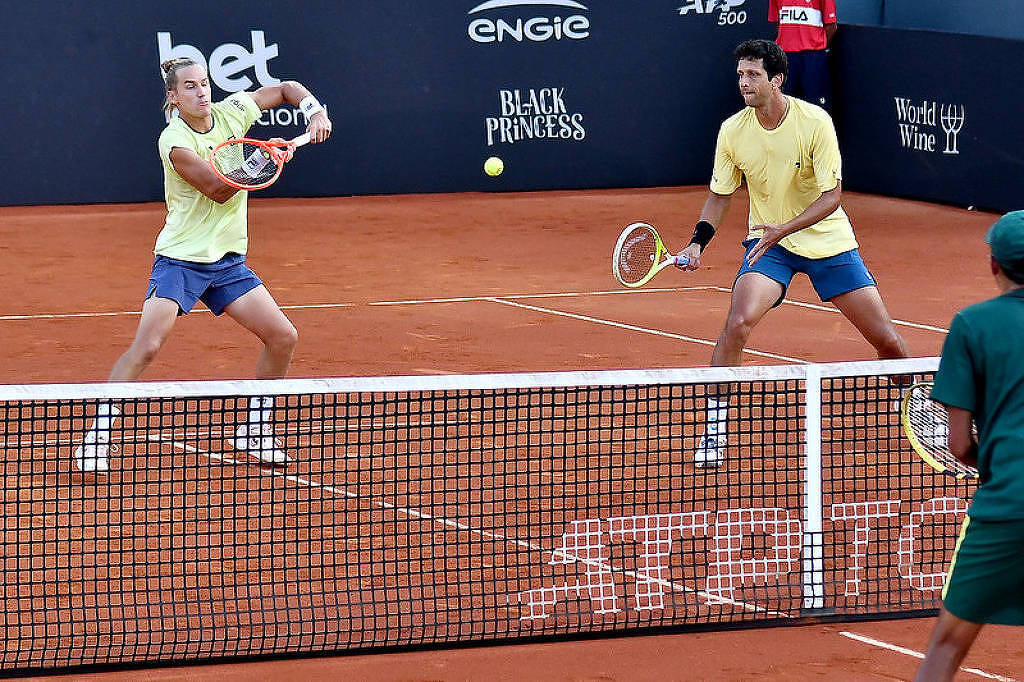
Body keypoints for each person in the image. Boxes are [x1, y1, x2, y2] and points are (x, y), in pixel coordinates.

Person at [73, 57, 332, 473]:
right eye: (190, 87)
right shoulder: (173, 141)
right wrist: (265, 159)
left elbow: (286, 88)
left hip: (227, 261)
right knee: (148, 346)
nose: (201, 92)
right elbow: (216, 188)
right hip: (181, 260)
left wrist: (312, 110)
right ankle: (96, 438)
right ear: (174, 98)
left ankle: (255, 430)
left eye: (205, 83)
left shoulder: (231, 113)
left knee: (283, 336)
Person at [676, 39, 908, 468]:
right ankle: (715, 427)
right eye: (741, 74)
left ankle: (915, 408)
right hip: (770, 245)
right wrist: (697, 241)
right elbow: (719, 196)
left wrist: (786, 226)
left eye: (753, 75)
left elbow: (832, 195)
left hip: (828, 242)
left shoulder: (814, 122)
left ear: (776, 80)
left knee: (886, 339)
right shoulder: (733, 130)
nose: (744, 82)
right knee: (739, 321)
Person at [914, 210, 1024, 681]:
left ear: (994, 266)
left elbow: (958, 445)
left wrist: (993, 464)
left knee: (947, 646)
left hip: (1005, 508)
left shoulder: (972, 325)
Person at [769, 0, 837, 112]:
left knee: (816, 105)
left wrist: (817, 46)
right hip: (786, 55)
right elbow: (777, 22)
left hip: (813, 56)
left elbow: (831, 26)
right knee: (785, 105)